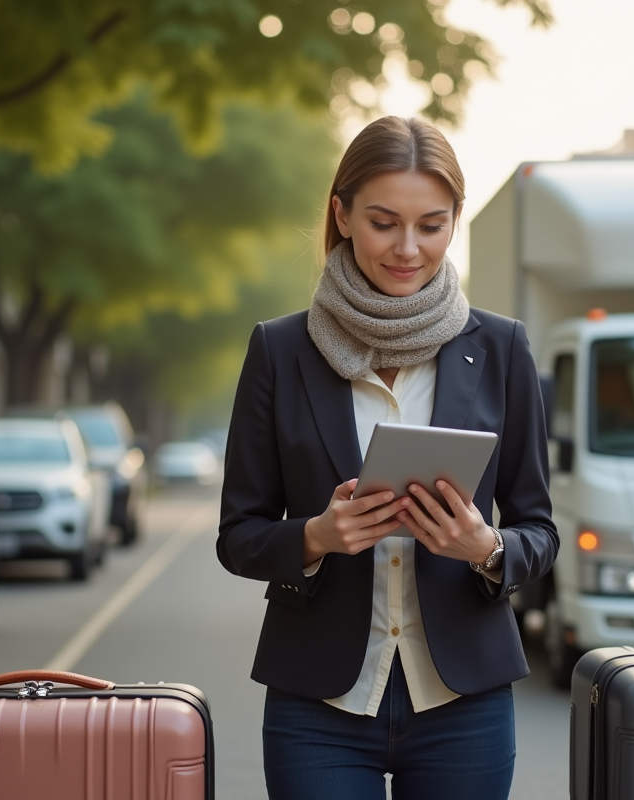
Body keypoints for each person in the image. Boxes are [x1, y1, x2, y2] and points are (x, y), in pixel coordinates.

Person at [217, 115, 558, 800]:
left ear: (454, 221)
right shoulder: (279, 352)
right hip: (318, 706)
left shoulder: (501, 350)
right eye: (383, 222)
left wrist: (486, 546)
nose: (407, 248)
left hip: (465, 704)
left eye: (430, 225)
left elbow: (540, 531)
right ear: (341, 215)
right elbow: (239, 536)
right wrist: (315, 536)